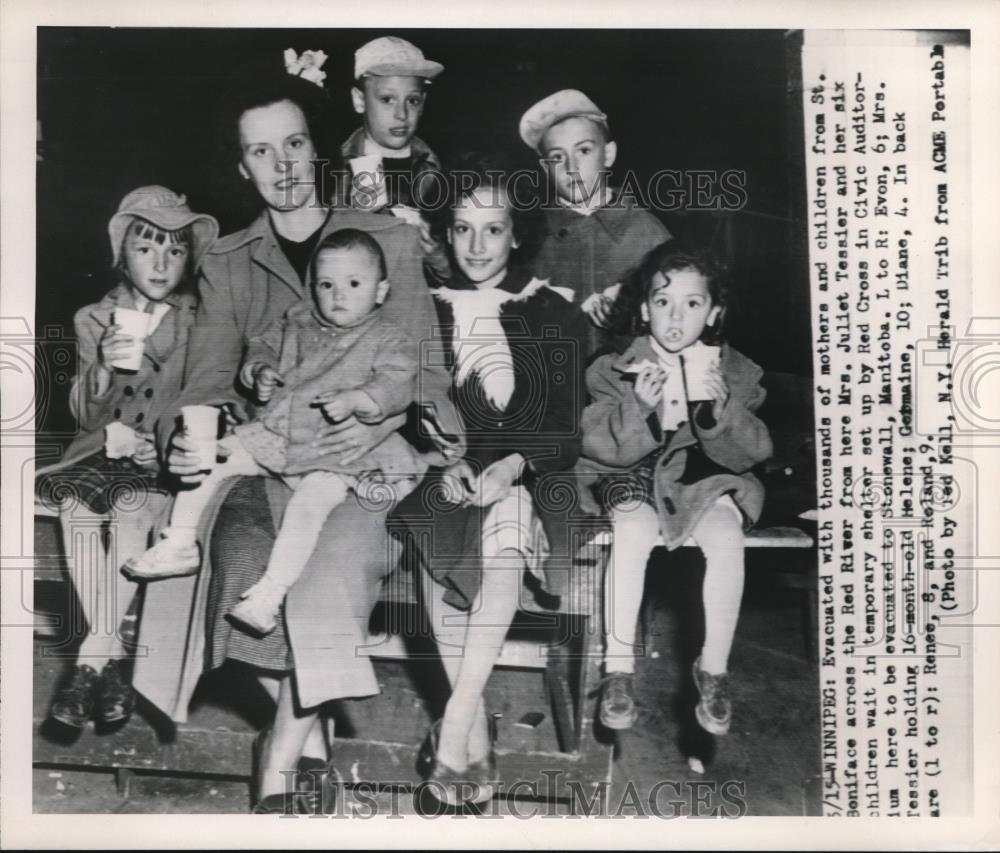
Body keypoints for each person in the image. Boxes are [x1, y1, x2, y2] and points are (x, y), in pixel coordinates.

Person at [133, 72, 461, 813]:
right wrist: (182, 443)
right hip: (270, 453)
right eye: (259, 151)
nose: (281, 165)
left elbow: (427, 373)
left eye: (294, 143)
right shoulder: (226, 260)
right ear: (239, 165)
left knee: (328, 577)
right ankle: (309, 731)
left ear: (319, 147)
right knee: (242, 569)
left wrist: (432, 446)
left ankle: (281, 750)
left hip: (365, 458)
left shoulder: (390, 241)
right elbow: (203, 383)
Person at [390, 156, 589, 806]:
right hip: (448, 474)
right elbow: (410, 406)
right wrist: (442, 457)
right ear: (446, 234)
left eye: (493, 230)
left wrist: (512, 466)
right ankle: (471, 737)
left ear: (516, 234)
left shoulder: (550, 312)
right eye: (463, 229)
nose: (478, 246)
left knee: (505, 539)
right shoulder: (427, 311)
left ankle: (453, 730)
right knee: (431, 531)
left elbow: (564, 429)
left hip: (529, 475)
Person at [126, 229, 418, 636]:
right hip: (279, 434)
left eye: (354, 284)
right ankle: (179, 542)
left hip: (336, 452)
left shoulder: (389, 339)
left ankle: (269, 594)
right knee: (210, 454)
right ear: (313, 287)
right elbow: (261, 344)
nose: (338, 295)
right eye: (326, 284)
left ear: (381, 290)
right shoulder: (298, 319)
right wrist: (259, 371)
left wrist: (360, 399)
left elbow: (399, 382)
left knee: (309, 507)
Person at [36, 186, 218, 729]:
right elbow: (82, 416)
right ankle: (111, 662)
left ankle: (89, 665)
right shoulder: (96, 317)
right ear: (122, 253)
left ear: (190, 258)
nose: (161, 262)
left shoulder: (200, 321)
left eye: (175, 249)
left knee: (130, 508)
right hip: (99, 454)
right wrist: (100, 374)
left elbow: (198, 399)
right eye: (146, 247)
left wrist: (156, 443)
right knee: (75, 507)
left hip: (157, 467)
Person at [578, 240, 772, 736]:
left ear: (714, 313)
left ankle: (714, 668)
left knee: (728, 538)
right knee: (632, 531)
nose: (676, 317)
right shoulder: (615, 367)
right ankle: (617, 668)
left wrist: (719, 412)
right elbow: (596, 441)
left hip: (701, 480)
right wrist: (637, 409)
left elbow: (755, 452)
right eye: (663, 302)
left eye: (693, 303)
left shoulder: (738, 374)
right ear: (644, 310)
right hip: (633, 477)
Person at [518, 89, 671, 355]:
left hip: (629, 386)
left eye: (584, 151)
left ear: (608, 154)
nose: (571, 167)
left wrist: (630, 304)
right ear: (544, 168)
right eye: (557, 157)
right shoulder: (531, 236)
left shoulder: (648, 234)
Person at [342, 35, 451, 284]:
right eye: (387, 99)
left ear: (423, 103)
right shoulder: (333, 168)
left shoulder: (438, 171)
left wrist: (436, 255)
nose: (401, 114)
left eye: (412, 101)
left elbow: (450, 278)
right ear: (359, 100)